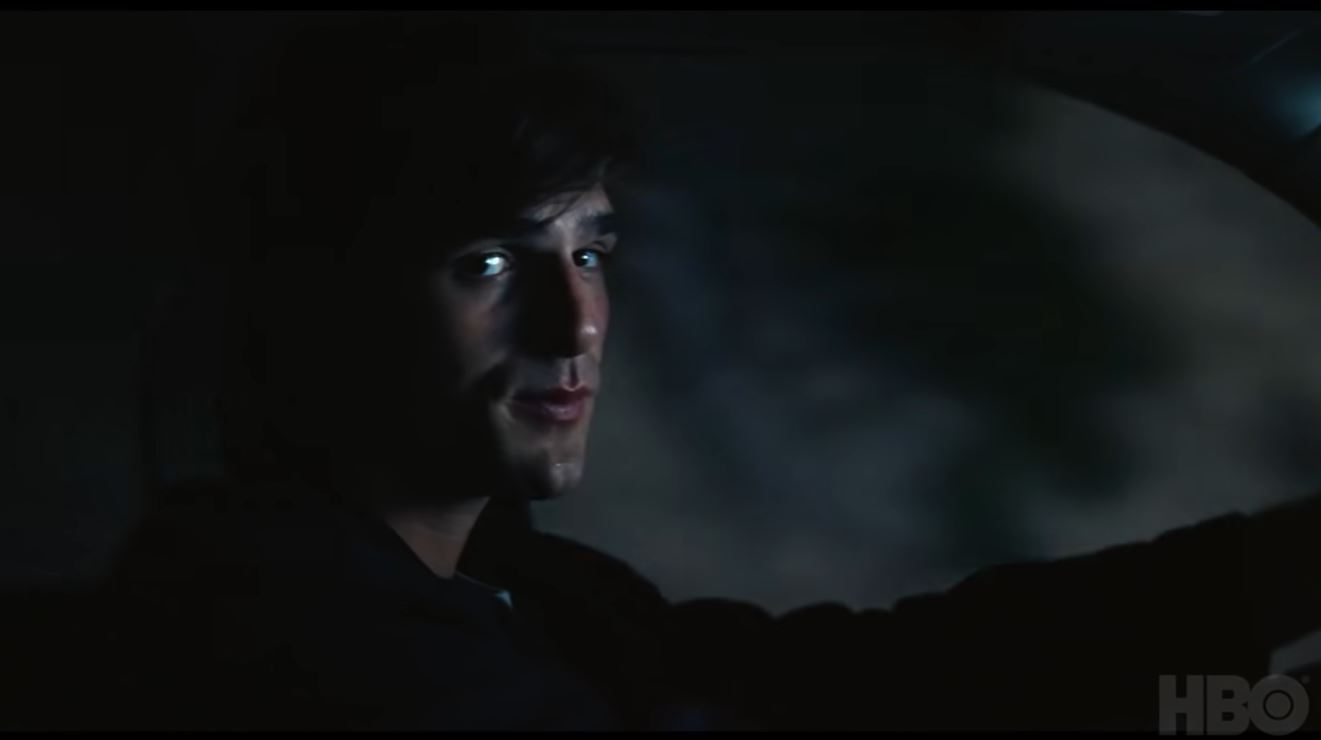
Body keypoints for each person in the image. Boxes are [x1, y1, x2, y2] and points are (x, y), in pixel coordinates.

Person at [92, 15, 1321, 731]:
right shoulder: (271, 614)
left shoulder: (526, 585)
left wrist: (1272, 570)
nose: (574, 322)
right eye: (487, 262)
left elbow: (845, 683)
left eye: (591, 251)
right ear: (325, 301)